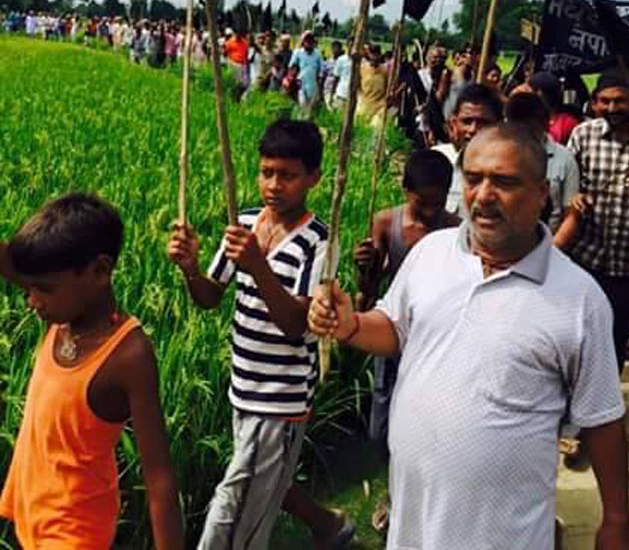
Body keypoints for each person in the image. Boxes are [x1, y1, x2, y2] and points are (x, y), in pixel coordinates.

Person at [309, 123, 629, 550]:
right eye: (474, 178)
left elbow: (603, 419)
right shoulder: (432, 253)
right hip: (414, 523)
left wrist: (615, 521)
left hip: (503, 533)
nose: (482, 194)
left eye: (503, 181)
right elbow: (394, 329)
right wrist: (351, 324)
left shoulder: (579, 298)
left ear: (541, 194)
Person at [167, 120, 353, 550]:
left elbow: (297, 324)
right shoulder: (246, 221)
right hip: (243, 386)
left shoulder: (319, 242)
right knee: (262, 481)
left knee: (233, 508)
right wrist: (191, 268)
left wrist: (259, 267)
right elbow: (210, 297)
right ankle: (329, 526)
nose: (273, 185)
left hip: (282, 395)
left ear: (313, 178)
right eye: (266, 172)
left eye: (287, 175)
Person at [0, 193, 183, 550]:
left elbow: (159, 477)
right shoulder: (62, 311)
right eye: (31, 287)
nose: (31, 300)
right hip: (34, 515)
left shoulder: (128, 355)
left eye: (43, 290)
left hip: (73, 533)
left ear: (99, 271)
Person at [354, 150, 458, 533]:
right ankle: (394, 490)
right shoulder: (387, 223)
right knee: (381, 429)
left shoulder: (455, 230)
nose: (430, 211)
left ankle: (420, 498)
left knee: (433, 427)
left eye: (438, 202)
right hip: (394, 339)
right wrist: (364, 266)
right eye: (422, 202)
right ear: (406, 191)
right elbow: (369, 291)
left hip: (437, 344)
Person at [559, 70, 629, 372]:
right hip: (585, 260)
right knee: (574, 339)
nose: (612, 108)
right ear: (594, 103)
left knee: (614, 343)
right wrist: (575, 196)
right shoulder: (584, 134)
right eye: (604, 101)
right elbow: (566, 184)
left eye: (620, 101)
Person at [506, 92, 580, 233]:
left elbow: (570, 215)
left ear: (545, 124)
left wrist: (550, 250)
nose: (525, 136)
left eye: (530, 130)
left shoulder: (565, 160)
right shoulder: (499, 154)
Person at [432, 83, 503, 216]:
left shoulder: (508, 175)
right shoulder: (437, 163)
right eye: (467, 121)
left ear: (498, 126)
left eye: (482, 122)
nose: (472, 130)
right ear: (454, 123)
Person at [290, 31, 323, 112]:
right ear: (303, 41)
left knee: (311, 109)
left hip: (313, 85)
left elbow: (320, 70)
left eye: (311, 40)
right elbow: (292, 67)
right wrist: (294, 78)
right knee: (302, 106)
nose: (308, 42)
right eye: (306, 40)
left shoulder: (317, 54)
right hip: (301, 85)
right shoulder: (298, 53)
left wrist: (319, 84)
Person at [358, 43, 388, 126]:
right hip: (365, 104)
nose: (374, 57)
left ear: (380, 55)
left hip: (379, 107)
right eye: (372, 54)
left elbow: (387, 87)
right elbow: (358, 86)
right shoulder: (363, 68)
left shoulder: (384, 71)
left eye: (377, 54)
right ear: (369, 55)